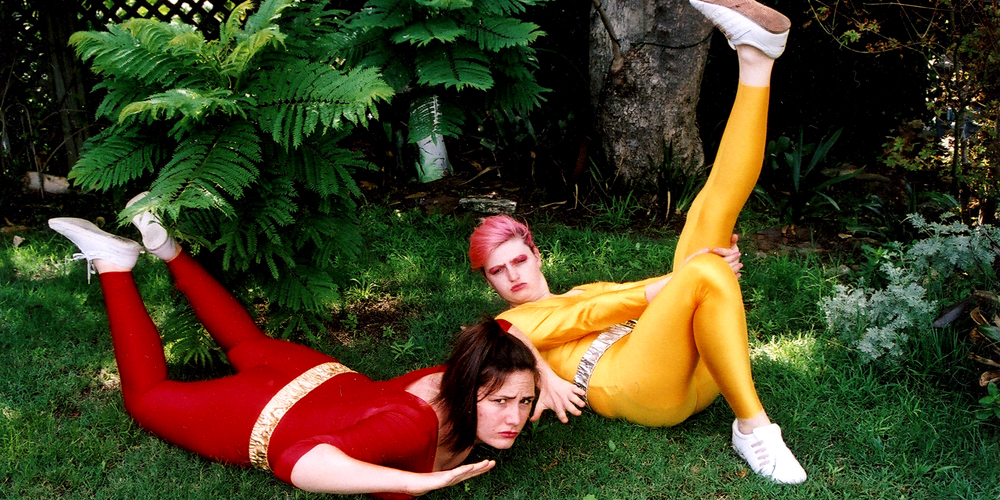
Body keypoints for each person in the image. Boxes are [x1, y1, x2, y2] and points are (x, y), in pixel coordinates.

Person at [466, 0, 807, 485]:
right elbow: (577, 320)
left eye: (517, 260)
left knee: (710, 211)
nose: (513, 276)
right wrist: (681, 281)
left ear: (537, 255)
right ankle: (754, 429)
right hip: (639, 387)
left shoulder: (586, 287)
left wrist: (696, 279)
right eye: (497, 272)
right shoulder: (508, 324)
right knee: (702, 269)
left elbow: (620, 306)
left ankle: (757, 61)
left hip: (695, 365)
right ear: (490, 282)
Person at [48, 200, 539, 500]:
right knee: (145, 396)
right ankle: (114, 263)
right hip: (261, 414)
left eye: (524, 401)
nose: (515, 416)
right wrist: (419, 484)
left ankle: (167, 248)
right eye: (501, 402)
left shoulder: (471, 368)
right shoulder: (412, 425)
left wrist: (546, 378)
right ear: (468, 388)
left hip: (319, 376)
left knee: (246, 343)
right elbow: (299, 462)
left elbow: (504, 335)